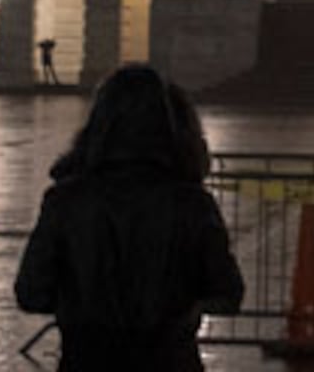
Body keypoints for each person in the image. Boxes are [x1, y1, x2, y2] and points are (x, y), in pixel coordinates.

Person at [13, 65, 243, 370]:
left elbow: (31, 293)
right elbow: (227, 293)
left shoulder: (66, 201)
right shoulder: (191, 203)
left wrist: (78, 302)